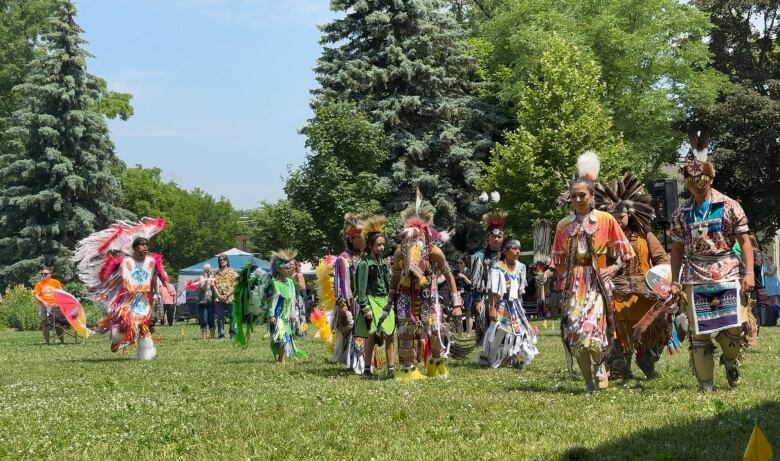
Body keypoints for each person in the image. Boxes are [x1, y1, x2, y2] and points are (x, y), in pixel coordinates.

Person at [669, 128, 755, 392]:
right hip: (695, 276)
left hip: (727, 272)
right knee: (700, 334)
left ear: (710, 176)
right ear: (686, 182)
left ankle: (730, 362)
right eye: (692, 178)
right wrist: (674, 280)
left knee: (732, 330)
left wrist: (749, 273)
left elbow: (744, 241)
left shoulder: (728, 205)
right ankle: (705, 385)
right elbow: (677, 249)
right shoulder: (682, 213)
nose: (698, 183)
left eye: (702, 177)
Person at [550, 151, 634, 393]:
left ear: (591, 196)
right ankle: (588, 383)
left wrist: (614, 268)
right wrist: (559, 287)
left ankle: (600, 367)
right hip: (574, 285)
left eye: (581, 195)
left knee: (593, 330)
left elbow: (624, 252)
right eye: (574, 196)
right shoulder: (563, 225)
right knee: (576, 334)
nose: (577, 200)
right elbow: (560, 261)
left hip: (596, 282)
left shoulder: (606, 220)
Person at [594, 172, 670, 380]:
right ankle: (619, 365)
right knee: (616, 335)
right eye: (614, 216)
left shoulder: (645, 235)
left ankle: (646, 358)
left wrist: (660, 280)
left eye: (622, 216)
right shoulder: (603, 239)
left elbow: (663, 260)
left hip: (644, 295)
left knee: (656, 330)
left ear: (631, 214)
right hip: (615, 296)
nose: (619, 219)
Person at [381, 190, 463, 379]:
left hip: (428, 293)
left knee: (435, 330)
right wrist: (389, 300)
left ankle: (436, 366)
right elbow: (394, 278)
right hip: (405, 294)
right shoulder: (400, 252)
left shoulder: (433, 251)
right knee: (405, 331)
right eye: (410, 239)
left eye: (417, 238)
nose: (413, 242)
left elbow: (449, 275)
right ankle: (409, 370)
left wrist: (457, 302)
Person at [73, 218, 173, 360]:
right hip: (127, 299)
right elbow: (105, 277)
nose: (145, 247)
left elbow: (162, 275)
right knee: (125, 323)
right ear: (134, 247)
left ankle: (146, 354)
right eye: (142, 245)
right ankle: (116, 338)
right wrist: (107, 262)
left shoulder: (153, 261)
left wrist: (168, 285)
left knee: (144, 325)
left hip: (144, 299)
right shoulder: (123, 261)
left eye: (146, 245)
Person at [477, 239, 538, 368]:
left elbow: (520, 291)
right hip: (501, 304)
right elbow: (492, 290)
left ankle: (514, 357)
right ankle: (494, 357)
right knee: (500, 331)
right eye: (514, 248)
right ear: (505, 251)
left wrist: (521, 308)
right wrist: (492, 308)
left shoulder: (521, 267)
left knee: (518, 331)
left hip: (515, 305)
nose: (518, 251)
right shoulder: (497, 267)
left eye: (519, 249)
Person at [355, 215, 396, 377]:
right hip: (372, 300)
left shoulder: (383, 263)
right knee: (372, 335)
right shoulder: (365, 264)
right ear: (371, 245)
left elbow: (388, 283)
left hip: (384, 300)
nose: (381, 247)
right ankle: (367, 368)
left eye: (383, 244)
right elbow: (361, 288)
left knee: (390, 333)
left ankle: (391, 369)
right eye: (378, 245)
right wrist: (365, 307)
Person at [260, 249, 307, 364]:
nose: (289, 269)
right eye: (286, 268)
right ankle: (282, 360)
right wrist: (271, 315)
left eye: (290, 267)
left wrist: (293, 314)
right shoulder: (275, 283)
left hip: (287, 315)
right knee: (281, 336)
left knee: (287, 336)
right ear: (279, 270)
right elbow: (272, 302)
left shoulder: (290, 283)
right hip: (278, 315)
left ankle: (282, 358)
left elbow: (292, 300)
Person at [467, 205, 505, 340]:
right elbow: (476, 281)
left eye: (499, 236)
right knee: (485, 333)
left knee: (503, 332)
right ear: (488, 238)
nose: (496, 239)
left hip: (503, 299)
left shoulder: (506, 255)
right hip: (485, 298)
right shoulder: (480, 256)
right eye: (493, 237)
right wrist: (477, 300)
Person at [33, 267, 64, 345]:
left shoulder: (56, 282)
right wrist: (43, 302)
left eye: (45, 274)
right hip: (44, 306)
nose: (43, 275)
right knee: (44, 323)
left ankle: (62, 341)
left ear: (50, 274)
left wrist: (58, 303)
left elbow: (61, 293)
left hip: (55, 306)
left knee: (58, 323)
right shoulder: (39, 283)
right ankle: (48, 342)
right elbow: (36, 295)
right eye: (42, 274)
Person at [214, 254, 238, 339]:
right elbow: (213, 286)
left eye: (224, 259)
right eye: (220, 260)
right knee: (220, 317)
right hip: (219, 298)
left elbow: (236, 285)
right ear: (219, 262)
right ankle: (221, 334)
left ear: (227, 261)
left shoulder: (233, 272)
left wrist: (227, 294)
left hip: (230, 297)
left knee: (233, 317)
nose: (222, 261)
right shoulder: (216, 273)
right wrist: (219, 295)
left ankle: (233, 334)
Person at [197, 264, 217, 340]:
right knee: (204, 319)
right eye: (206, 269)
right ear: (203, 270)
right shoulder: (201, 277)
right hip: (202, 302)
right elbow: (204, 288)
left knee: (211, 319)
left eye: (208, 268)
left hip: (211, 301)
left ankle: (212, 336)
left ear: (211, 269)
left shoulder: (213, 277)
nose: (207, 270)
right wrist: (206, 279)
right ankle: (204, 337)